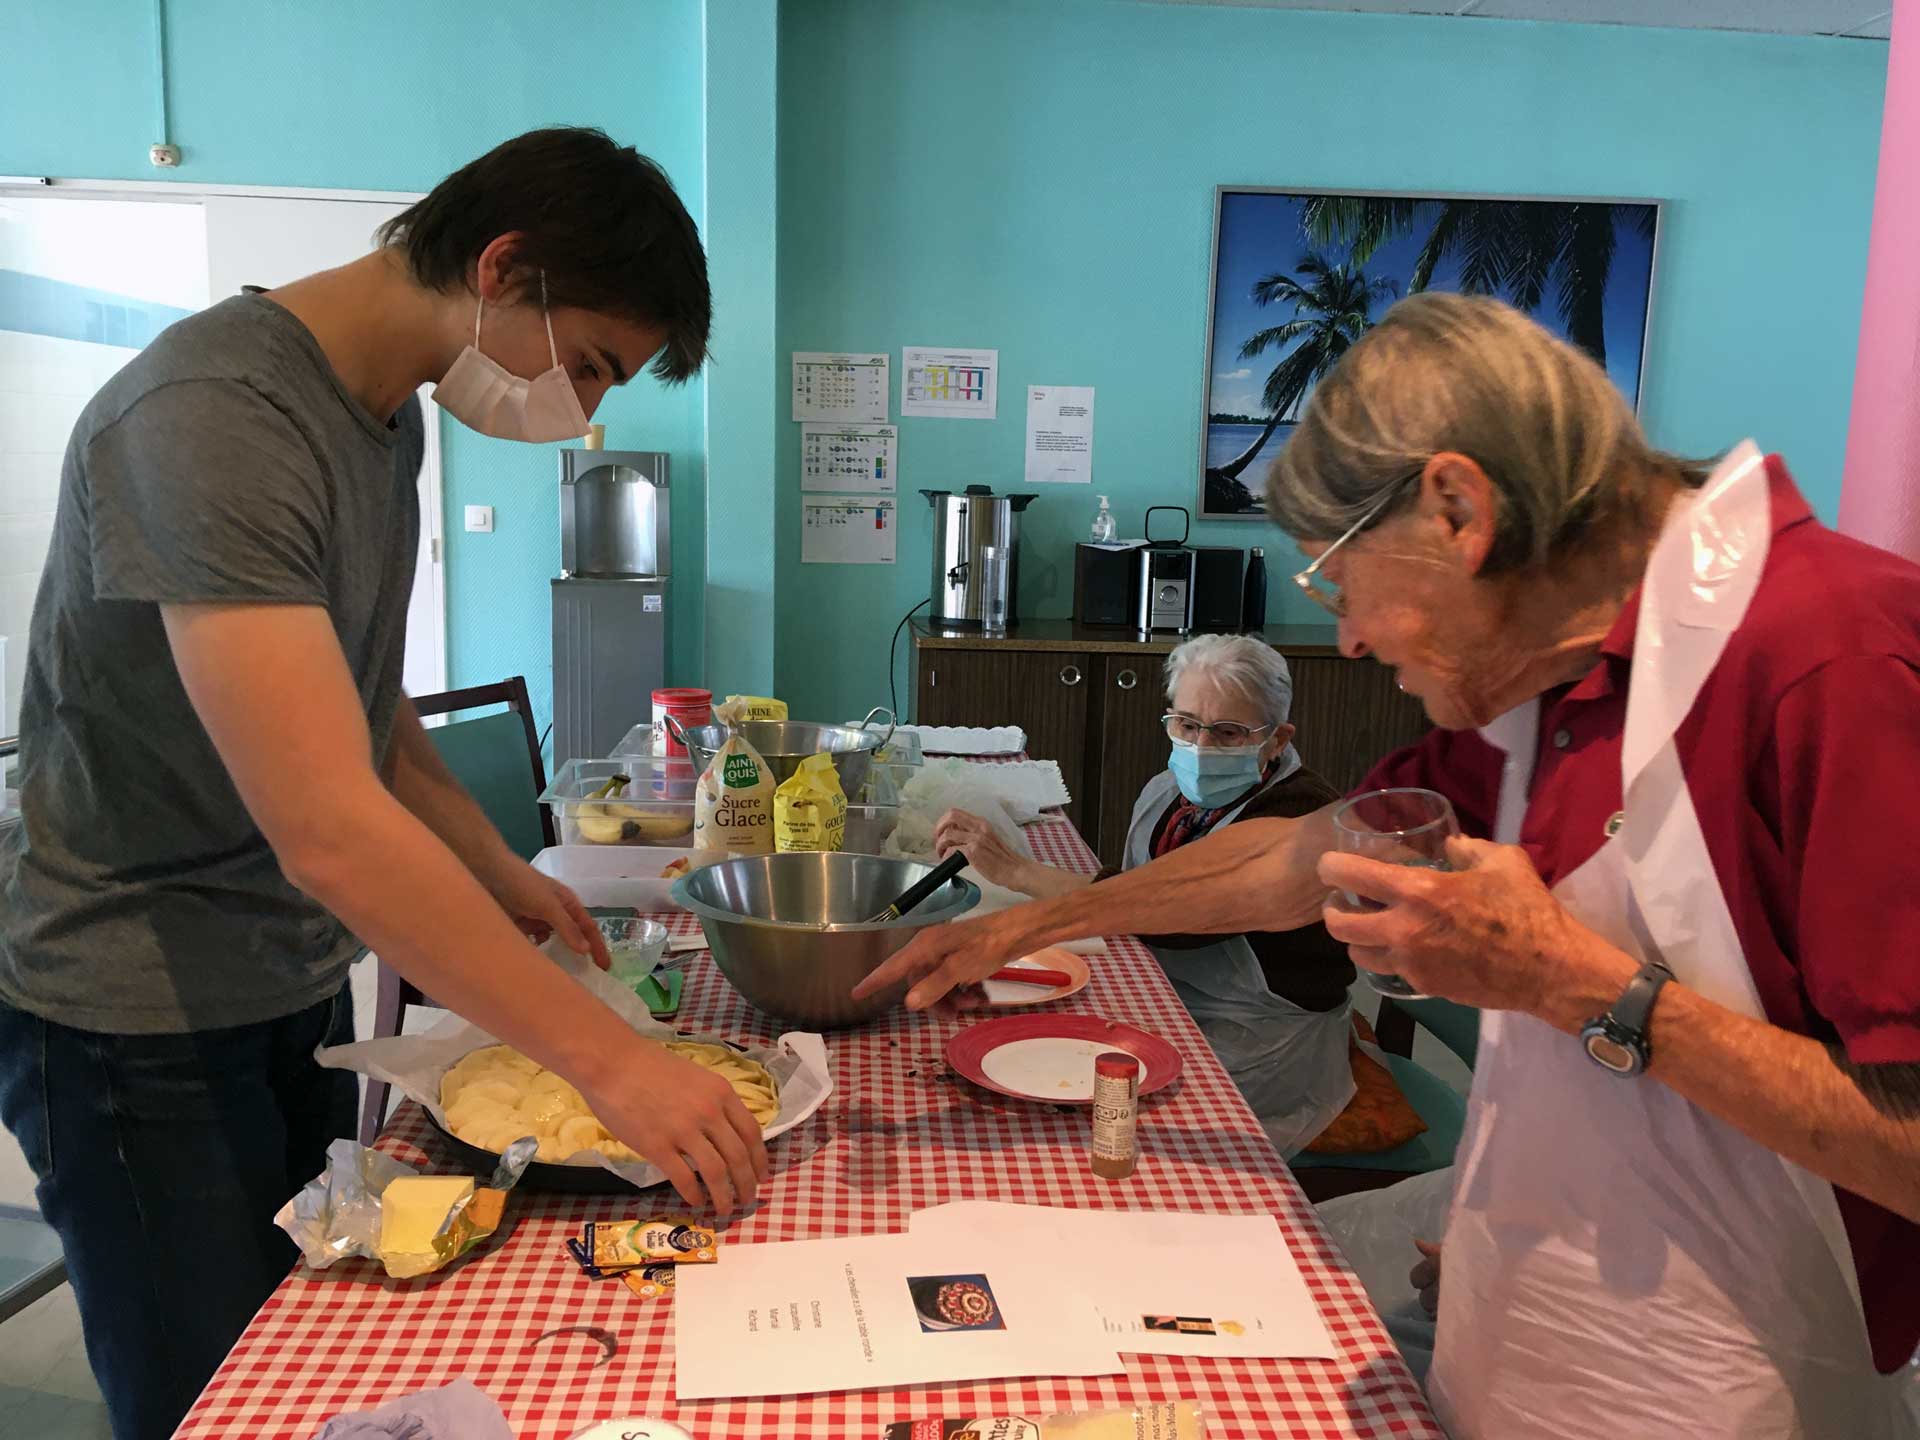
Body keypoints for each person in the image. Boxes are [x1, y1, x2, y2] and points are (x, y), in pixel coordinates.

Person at [858, 292, 1920, 1437]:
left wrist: (1582, 989)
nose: (1351, 639)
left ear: (1460, 508)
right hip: (1516, 1318)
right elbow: (1299, 857)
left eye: (1338, 580)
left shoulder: (1839, 659)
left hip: (1722, 1384)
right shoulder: (1540, 667)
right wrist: (1020, 925)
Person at [0, 128, 766, 1440]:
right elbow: (332, 831)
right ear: (503, 265)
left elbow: (366, 711)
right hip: (129, 1007)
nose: (579, 412)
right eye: (584, 362)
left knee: (309, 1353)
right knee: (210, 1400)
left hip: (280, 979)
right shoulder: (215, 417)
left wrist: (499, 870)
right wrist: (612, 1066)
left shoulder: (382, 420)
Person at [933, 633, 1361, 1155]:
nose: (1201, 748)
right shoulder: (1169, 789)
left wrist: (1021, 873)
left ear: (1276, 739)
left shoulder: (1298, 816)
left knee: (1083, 1130)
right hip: (1180, 1000)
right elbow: (1138, 885)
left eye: (1228, 733)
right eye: (1186, 725)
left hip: (1267, 1045)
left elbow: (1170, 914)